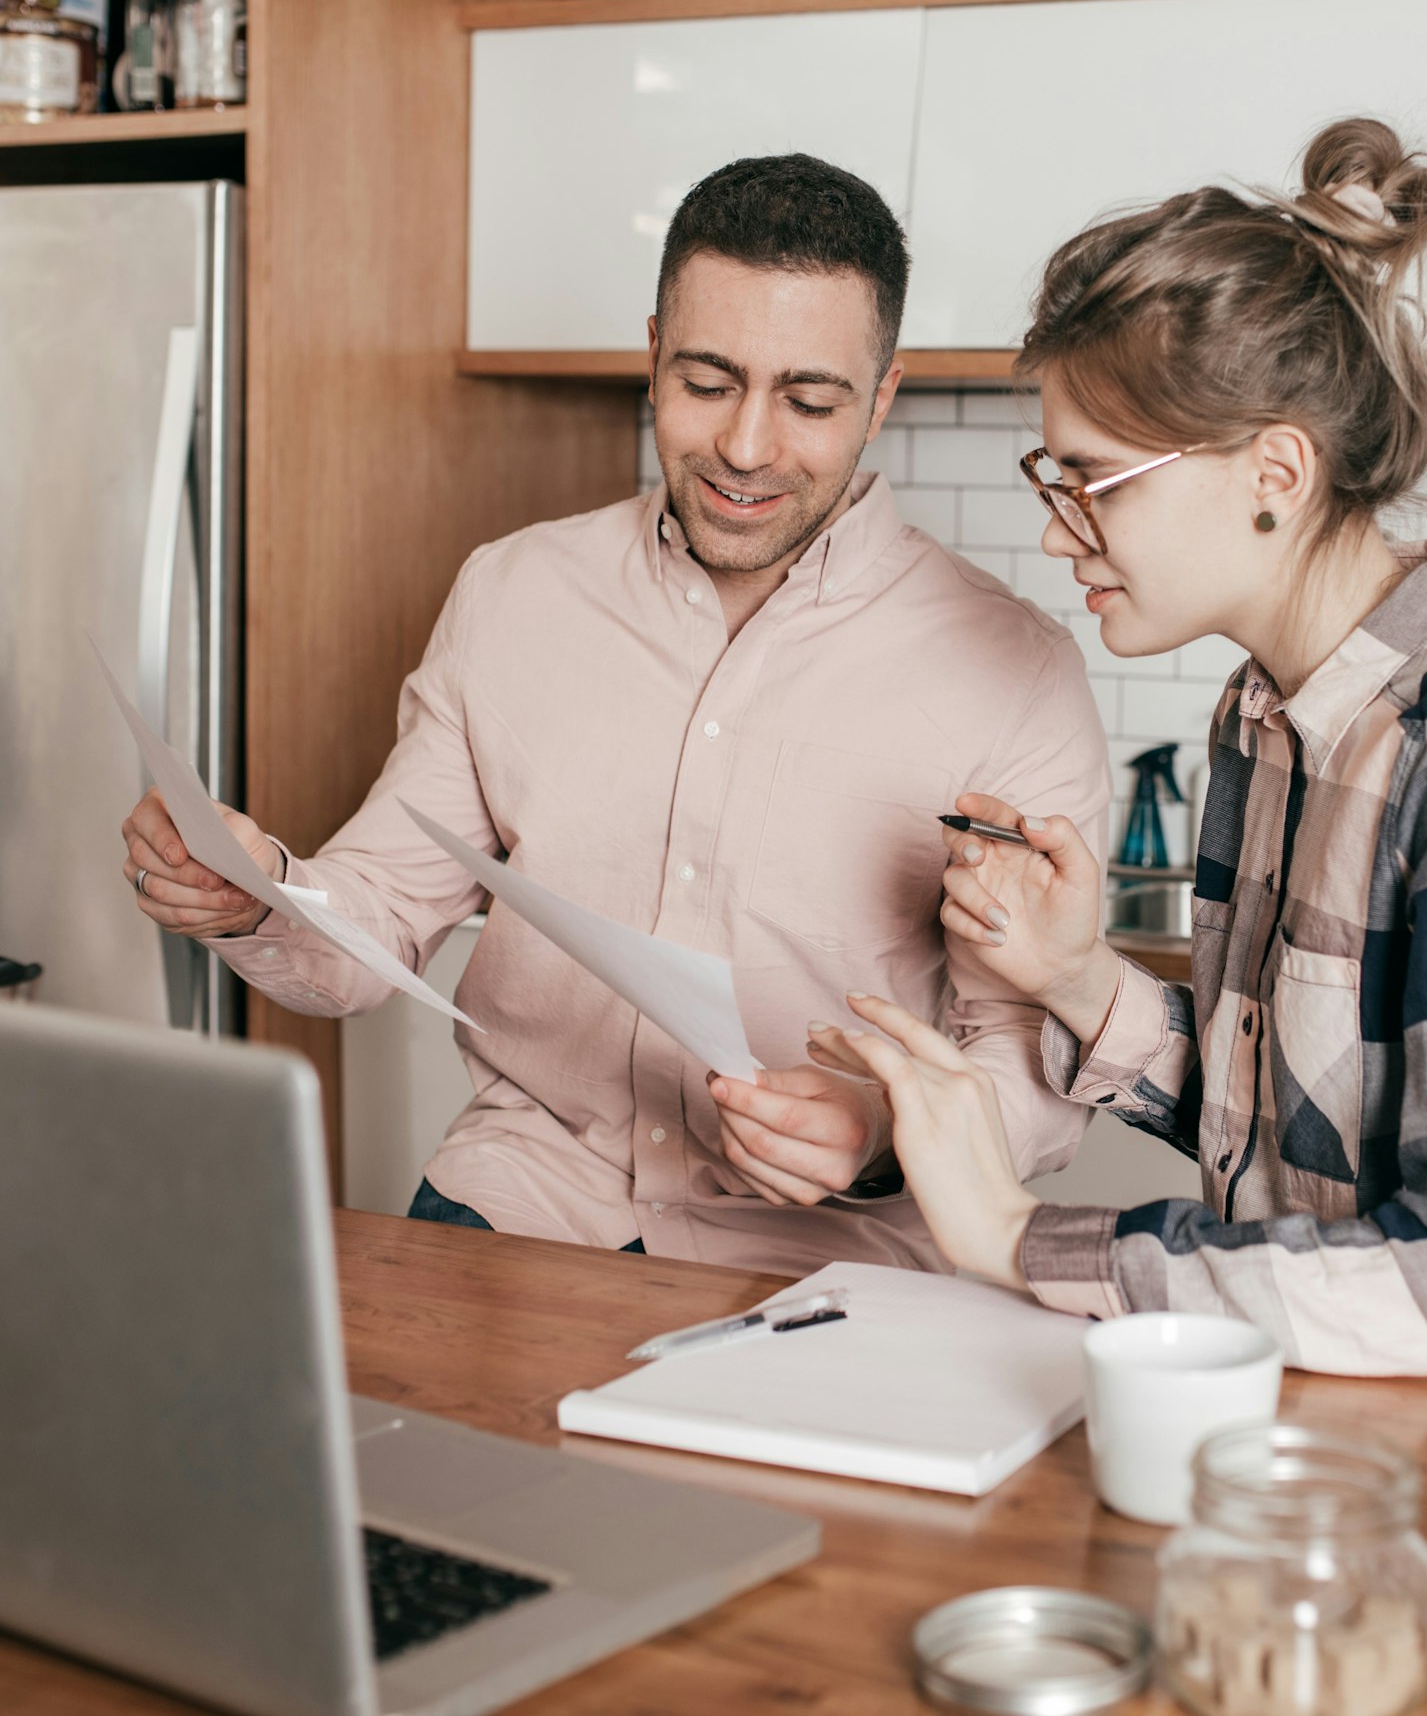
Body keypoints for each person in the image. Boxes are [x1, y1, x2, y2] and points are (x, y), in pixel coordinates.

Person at [808, 118, 1427, 1413]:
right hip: (1356, 1436)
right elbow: (1304, 1136)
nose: (1056, 521)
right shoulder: (1265, 719)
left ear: (1276, 471)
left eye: (1093, 478)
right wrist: (1077, 978)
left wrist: (1021, 1234)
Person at [120, 153, 1110, 1275]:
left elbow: (1034, 1064)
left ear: (881, 398)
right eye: (706, 381)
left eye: (810, 400)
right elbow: (371, 926)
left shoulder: (1014, 671)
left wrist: (884, 1135)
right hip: (522, 1200)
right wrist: (253, 891)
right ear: (651, 356)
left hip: (828, 1265)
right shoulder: (513, 592)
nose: (746, 446)